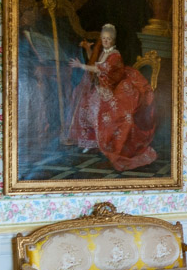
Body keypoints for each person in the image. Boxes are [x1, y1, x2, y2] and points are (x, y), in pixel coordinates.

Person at [65, 23, 157, 171]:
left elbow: (100, 69)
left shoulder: (115, 55)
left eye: (108, 39)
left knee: (112, 111)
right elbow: (96, 63)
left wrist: (81, 66)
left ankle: (110, 145)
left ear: (113, 40)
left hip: (115, 88)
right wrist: (88, 49)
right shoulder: (105, 52)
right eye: (103, 38)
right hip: (103, 87)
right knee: (85, 103)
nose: (106, 41)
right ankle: (95, 142)